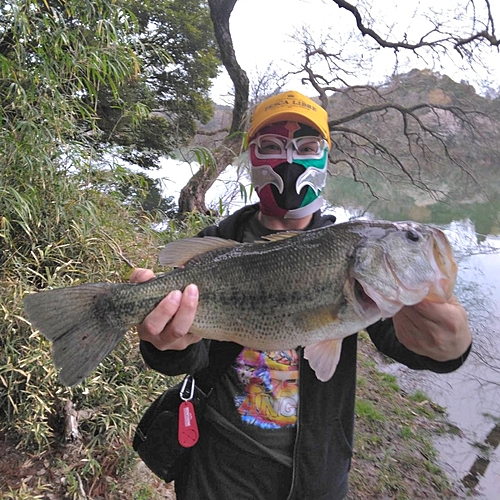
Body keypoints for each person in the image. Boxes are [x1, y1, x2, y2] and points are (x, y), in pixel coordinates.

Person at [130, 90, 472, 500]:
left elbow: (408, 343)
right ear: (251, 157)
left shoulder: (355, 258)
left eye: (307, 147)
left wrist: (450, 348)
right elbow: (187, 352)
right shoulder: (216, 246)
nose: (289, 160)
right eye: (271, 146)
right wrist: (166, 346)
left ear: (326, 157)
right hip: (216, 465)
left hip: (315, 475)